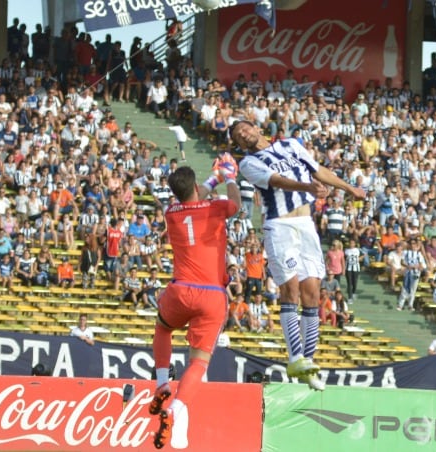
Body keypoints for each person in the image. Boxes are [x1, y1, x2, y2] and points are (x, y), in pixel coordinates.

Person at [234, 119, 364, 392]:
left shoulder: (292, 145)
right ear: (239, 143)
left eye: (245, 128)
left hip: (306, 225)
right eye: (238, 135)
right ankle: (295, 358)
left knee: (313, 295)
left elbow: (317, 170)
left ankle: (309, 362)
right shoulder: (248, 163)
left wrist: (348, 188)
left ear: (258, 128)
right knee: (290, 290)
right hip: (279, 226)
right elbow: (276, 181)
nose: (244, 134)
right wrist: (308, 188)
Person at [150, 165, 240, 450]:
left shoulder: (171, 214)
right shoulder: (215, 209)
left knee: (163, 329)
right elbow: (236, 204)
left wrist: (213, 177)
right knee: (198, 363)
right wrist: (228, 177)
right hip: (212, 295)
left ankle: (162, 382)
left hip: (180, 290)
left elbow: (193, 194)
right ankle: (174, 410)